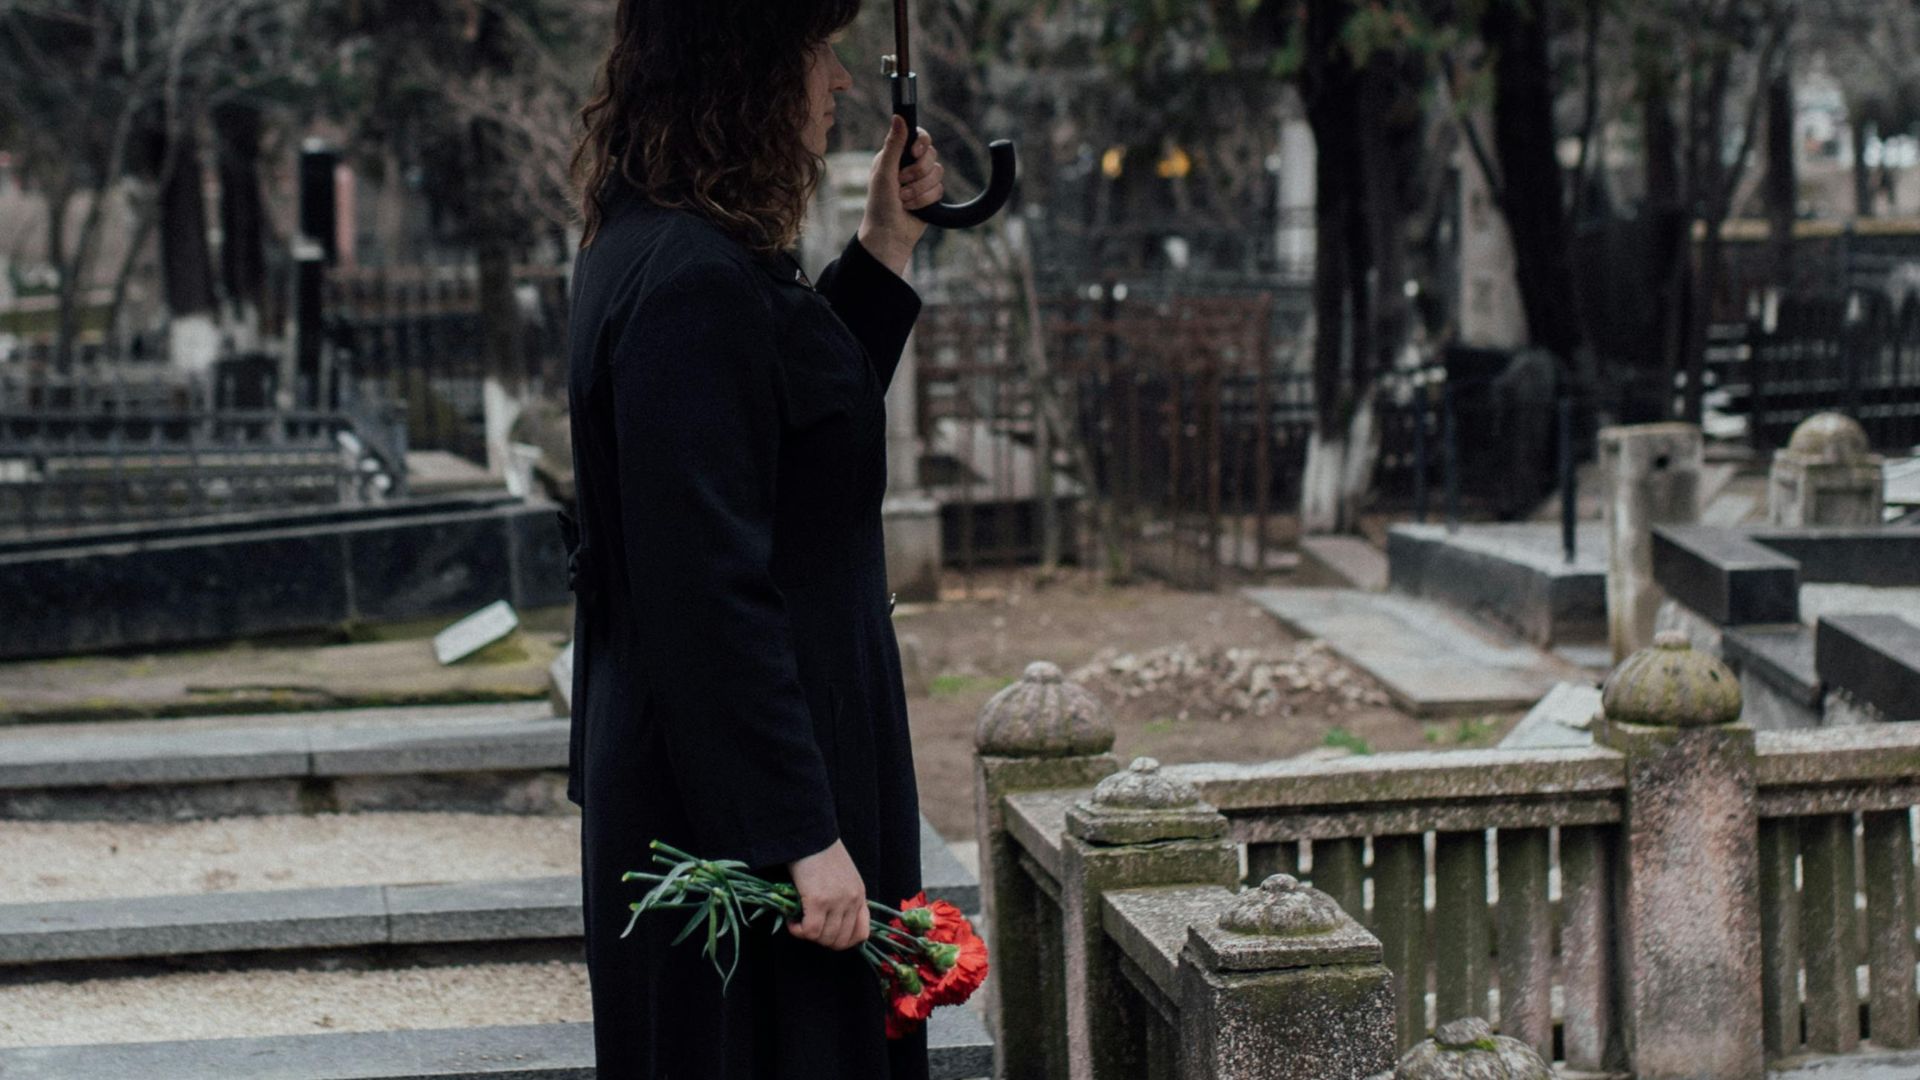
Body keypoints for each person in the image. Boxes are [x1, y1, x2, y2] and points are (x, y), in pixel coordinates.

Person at [562, 3, 947, 1077]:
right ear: (746, 76)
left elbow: (791, 437)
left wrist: (884, 245)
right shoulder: (689, 278)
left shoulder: (672, 247)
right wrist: (802, 837)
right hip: (742, 811)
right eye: (817, 54)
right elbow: (705, 586)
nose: (840, 83)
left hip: (745, 775)